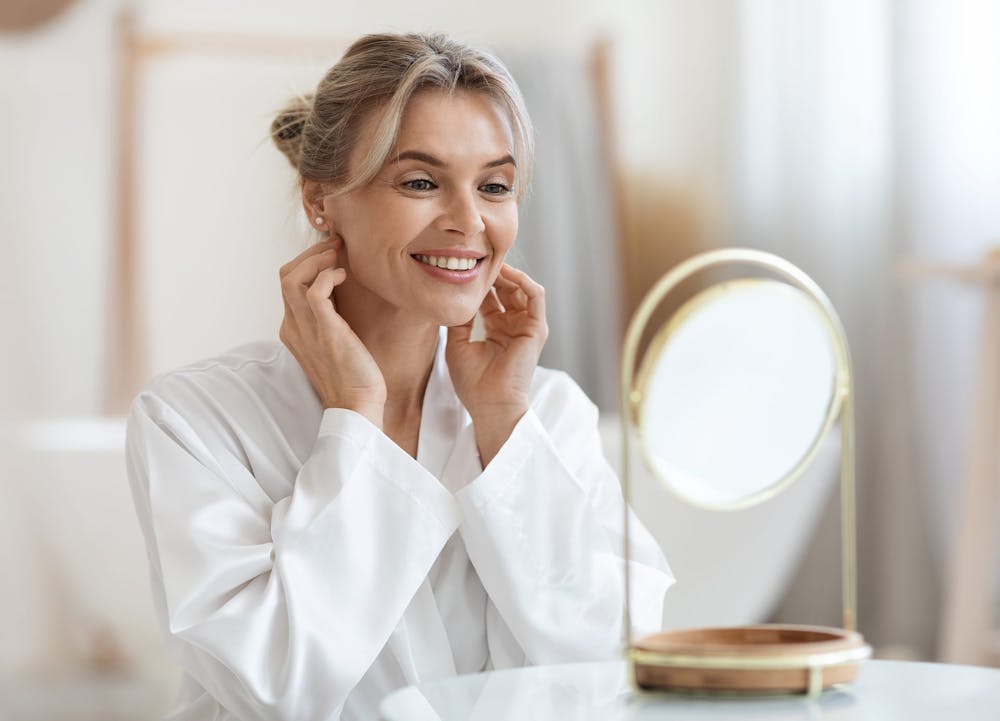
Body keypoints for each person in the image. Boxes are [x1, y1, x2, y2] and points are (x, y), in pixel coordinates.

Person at [125, 32, 673, 721]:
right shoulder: (194, 421)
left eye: (495, 186)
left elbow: (614, 669)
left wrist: (504, 420)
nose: (469, 221)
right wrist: (355, 417)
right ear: (320, 200)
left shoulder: (547, 413)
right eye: (421, 182)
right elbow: (279, 687)